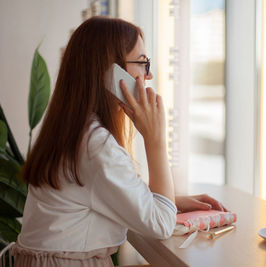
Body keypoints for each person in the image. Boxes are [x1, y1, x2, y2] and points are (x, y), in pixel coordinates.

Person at [12, 16, 227, 267]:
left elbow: (96, 188)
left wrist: (171, 200)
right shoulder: (96, 145)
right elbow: (160, 224)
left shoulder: (74, 132)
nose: (149, 75)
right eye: (143, 63)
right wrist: (155, 140)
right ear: (110, 72)